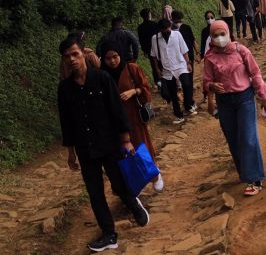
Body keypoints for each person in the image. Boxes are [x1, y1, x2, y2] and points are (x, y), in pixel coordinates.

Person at [58, 36, 149, 252]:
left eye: (75, 54)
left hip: (108, 143)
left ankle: (134, 205)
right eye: (67, 56)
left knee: (118, 183)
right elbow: (66, 122)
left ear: (84, 54)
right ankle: (109, 234)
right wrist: (71, 153)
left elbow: (117, 111)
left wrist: (126, 140)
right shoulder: (65, 89)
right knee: (95, 192)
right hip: (85, 148)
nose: (72, 59)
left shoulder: (102, 79)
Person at [203, 20, 266, 196]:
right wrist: (211, 87)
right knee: (233, 139)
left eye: (222, 34)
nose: (219, 38)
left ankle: (255, 178)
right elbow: (206, 81)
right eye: (215, 35)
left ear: (228, 33)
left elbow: (255, 74)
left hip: (244, 98)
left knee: (248, 137)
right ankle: (244, 172)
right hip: (224, 102)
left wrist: (264, 97)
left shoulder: (241, 51)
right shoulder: (210, 57)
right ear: (211, 37)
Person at [100, 42, 164, 192]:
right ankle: (136, 181)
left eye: (115, 56)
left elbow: (145, 88)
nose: (112, 61)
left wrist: (133, 91)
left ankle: (154, 174)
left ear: (120, 55)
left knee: (141, 146)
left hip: (133, 116)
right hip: (114, 120)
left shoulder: (131, 69)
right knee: (125, 153)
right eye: (108, 58)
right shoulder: (102, 75)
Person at [150, 19, 197, 124]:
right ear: (160, 29)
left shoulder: (177, 34)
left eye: (168, 28)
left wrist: (188, 63)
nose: (167, 31)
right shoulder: (155, 39)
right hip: (167, 68)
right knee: (173, 93)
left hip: (180, 64)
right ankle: (178, 115)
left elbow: (184, 49)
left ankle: (188, 104)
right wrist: (157, 69)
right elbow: (153, 56)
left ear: (170, 26)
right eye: (164, 29)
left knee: (187, 84)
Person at [171, 10, 200, 77]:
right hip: (189, 54)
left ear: (172, 18)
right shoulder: (187, 27)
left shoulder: (170, 29)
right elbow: (193, 41)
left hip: (177, 56)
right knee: (189, 74)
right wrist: (197, 53)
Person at [137, 9, 160, 85]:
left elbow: (141, 40)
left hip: (149, 49)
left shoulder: (140, 27)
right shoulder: (156, 24)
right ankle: (166, 82)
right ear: (149, 15)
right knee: (162, 65)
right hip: (159, 48)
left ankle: (158, 83)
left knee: (154, 66)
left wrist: (144, 50)